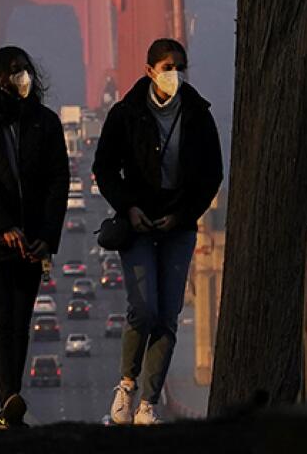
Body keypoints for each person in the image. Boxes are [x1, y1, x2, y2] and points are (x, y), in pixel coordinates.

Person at [92, 38, 223, 425]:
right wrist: (128, 207)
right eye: (167, 66)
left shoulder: (198, 114)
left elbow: (211, 173)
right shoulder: (125, 113)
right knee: (144, 308)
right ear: (150, 70)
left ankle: (149, 404)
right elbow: (103, 166)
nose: (175, 74)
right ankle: (127, 384)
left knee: (167, 314)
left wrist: (184, 215)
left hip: (177, 227)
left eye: (180, 66)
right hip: (137, 225)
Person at [0, 46, 69, 429]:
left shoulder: (46, 123)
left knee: (21, 321)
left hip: (33, 242)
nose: (21, 76)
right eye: (12, 71)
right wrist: (3, 225)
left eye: (25, 69)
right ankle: (8, 399)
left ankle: (11, 400)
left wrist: (47, 237)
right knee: (2, 318)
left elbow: (59, 183)